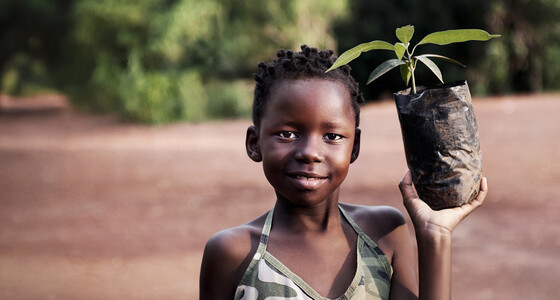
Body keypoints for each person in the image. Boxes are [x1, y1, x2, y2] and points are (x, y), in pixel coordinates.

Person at [199, 45, 488, 300]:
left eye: (332, 136)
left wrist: (435, 235)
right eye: (287, 134)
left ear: (355, 146)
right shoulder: (233, 253)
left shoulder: (385, 234)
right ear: (254, 143)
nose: (310, 152)